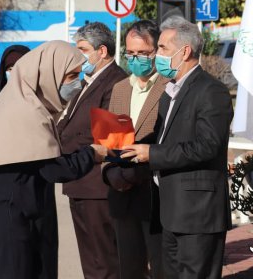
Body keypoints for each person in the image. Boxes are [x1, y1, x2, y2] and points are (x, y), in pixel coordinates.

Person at [0, 40, 108, 279]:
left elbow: (42, 160)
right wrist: (94, 153)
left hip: (12, 206)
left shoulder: (24, 102)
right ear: (49, 74)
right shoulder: (27, 111)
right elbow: (54, 169)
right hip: (3, 213)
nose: (77, 83)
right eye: (70, 75)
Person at [122, 15, 233, 279]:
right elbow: (164, 139)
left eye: (162, 48)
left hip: (197, 212)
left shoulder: (211, 91)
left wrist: (152, 154)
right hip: (169, 209)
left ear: (184, 52)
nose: (156, 55)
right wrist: (129, 147)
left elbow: (207, 146)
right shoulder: (169, 90)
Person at [57, 22, 127, 279]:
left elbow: (108, 138)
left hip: (97, 183)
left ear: (103, 51)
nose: (78, 56)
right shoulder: (85, 80)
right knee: (89, 257)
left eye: (83, 49)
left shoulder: (116, 81)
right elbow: (66, 124)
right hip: (78, 180)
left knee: (104, 259)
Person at [102, 20, 166, 279]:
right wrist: (110, 173)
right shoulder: (120, 88)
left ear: (156, 53)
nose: (135, 59)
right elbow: (109, 140)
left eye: (143, 53)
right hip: (122, 191)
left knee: (161, 267)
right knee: (128, 267)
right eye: (130, 53)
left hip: (155, 194)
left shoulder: (168, 88)